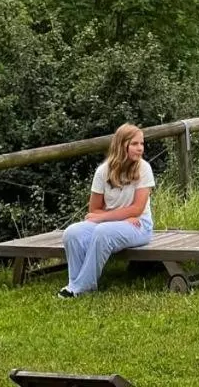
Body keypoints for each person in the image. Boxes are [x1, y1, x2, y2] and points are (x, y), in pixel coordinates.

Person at [59, 123, 155, 298]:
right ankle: (75, 284)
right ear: (121, 145)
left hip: (139, 225)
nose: (140, 148)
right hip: (114, 222)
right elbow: (93, 209)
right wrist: (112, 218)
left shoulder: (144, 168)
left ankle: (83, 287)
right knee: (71, 233)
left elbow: (136, 209)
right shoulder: (103, 172)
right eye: (134, 144)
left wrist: (103, 217)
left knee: (103, 232)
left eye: (142, 143)